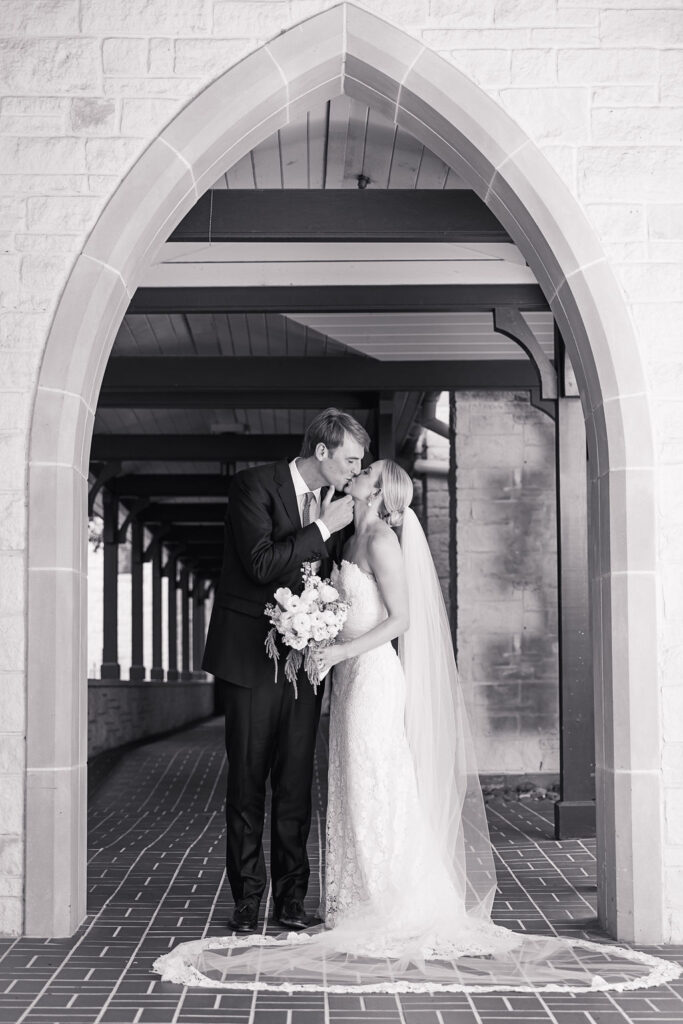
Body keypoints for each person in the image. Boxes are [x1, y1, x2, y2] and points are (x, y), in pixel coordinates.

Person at [157, 460, 680, 994]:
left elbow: (400, 621)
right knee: (351, 786)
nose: (354, 475)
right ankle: (353, 896)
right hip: (345, 677)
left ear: (378, 491)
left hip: (372, 675)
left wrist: (337, 648)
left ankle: (392, 901)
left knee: (376, 784)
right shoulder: (346, 541)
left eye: (364, 472)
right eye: (353, 465)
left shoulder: (382, 540)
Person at [201, 408, 369, 934]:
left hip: (304, 661)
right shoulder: (253, 486)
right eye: (350, 460)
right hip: (250, 658)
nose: (354, 470)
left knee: (296, 783)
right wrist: (323, 527)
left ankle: (291, 902)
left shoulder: (336, 505)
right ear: (321, 451)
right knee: (248, 783)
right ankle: (248, 902)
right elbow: (259, 563)